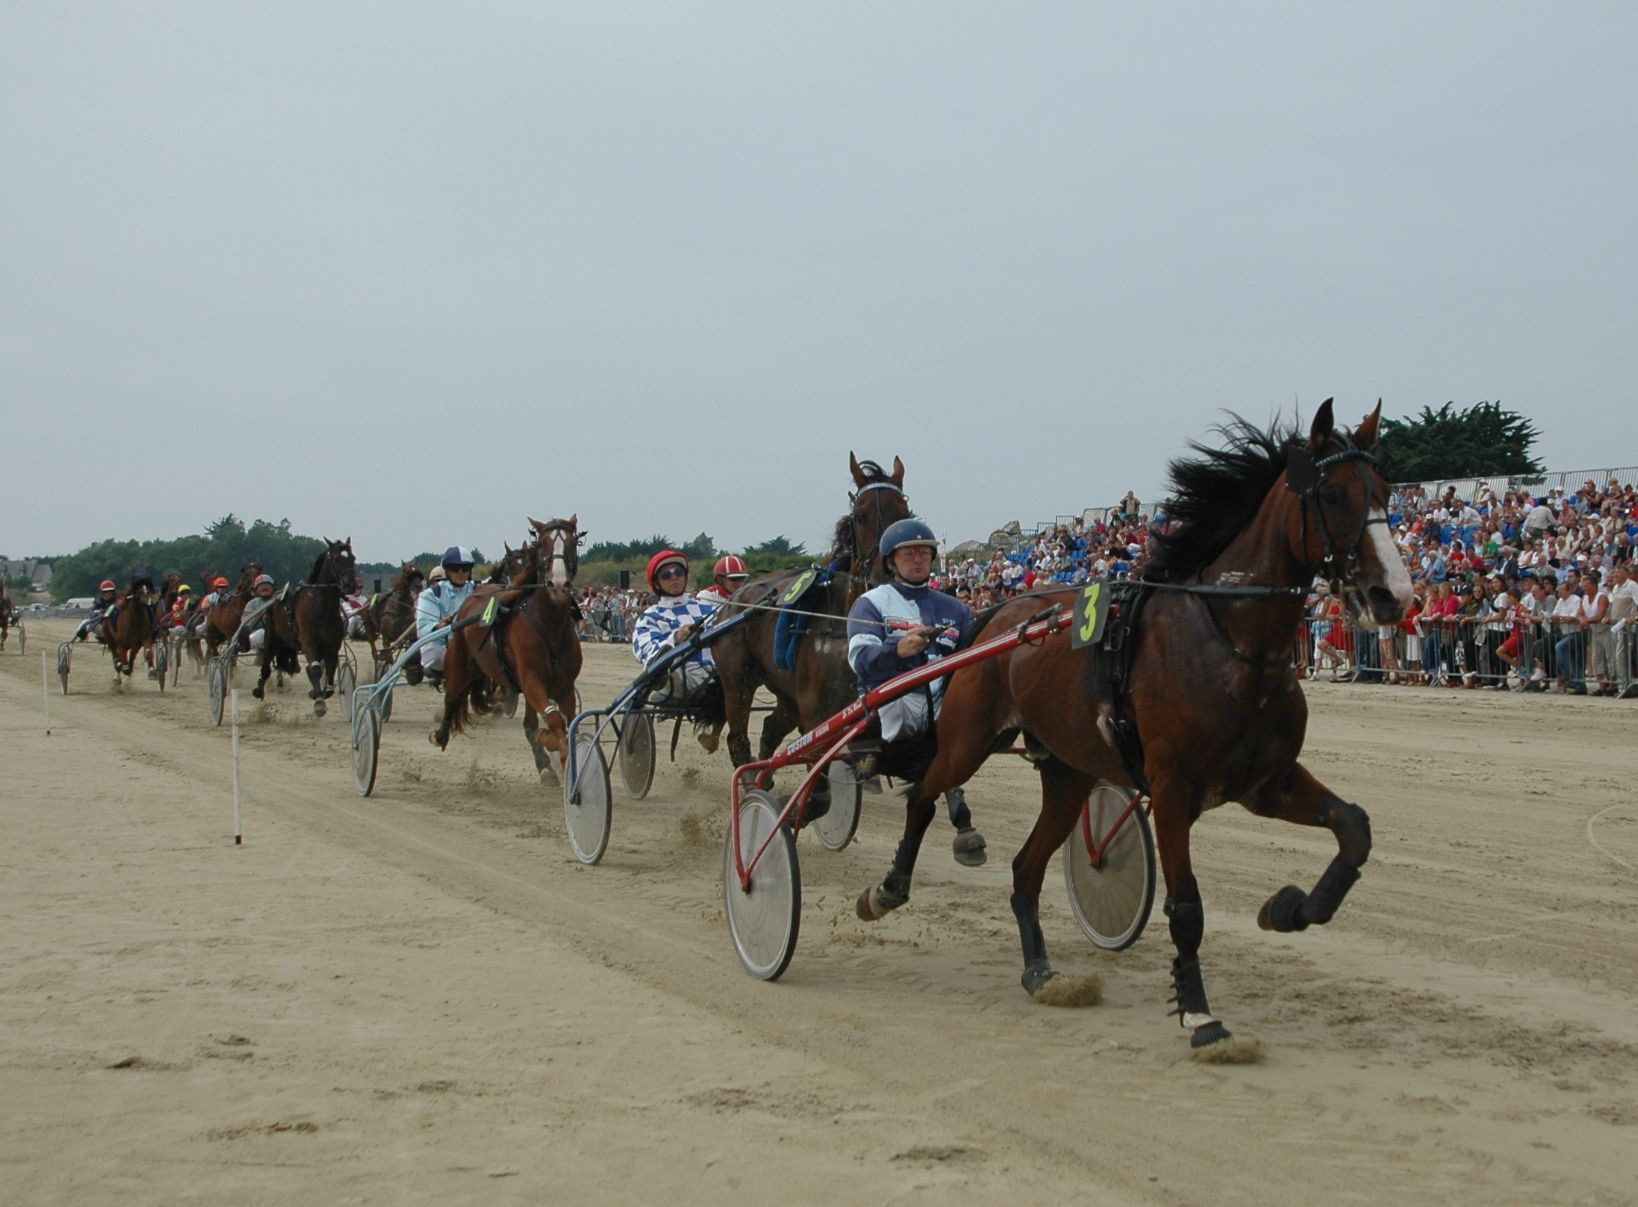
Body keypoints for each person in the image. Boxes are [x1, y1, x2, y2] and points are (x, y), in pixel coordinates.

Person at [846, 519, 985, 866]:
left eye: (925, 552)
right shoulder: (870, 604)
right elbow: (861, 660)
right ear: (891, 561)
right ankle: (952, 792)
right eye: (909, 553)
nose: (919, 559)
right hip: (892, 704)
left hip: (944, 704)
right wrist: (899, 651)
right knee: (915, 701)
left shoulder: (956, 609)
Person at [630, 550, 722, 748]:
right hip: (678, 678)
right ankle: (664, 671)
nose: (674, 578)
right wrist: (676, 639)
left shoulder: (708, 610)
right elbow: (645, 651)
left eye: (678, 572)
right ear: (656, 582)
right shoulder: (649, 617)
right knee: (665, 664)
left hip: (717, 673)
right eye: (666, 575)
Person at [414, 547, 477, 686]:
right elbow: (423, 628)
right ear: (447, 571)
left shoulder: (478, 591)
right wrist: (438, 626)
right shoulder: (431, 594)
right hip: (440, 649)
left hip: (471, 646)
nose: (460, 572)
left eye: (465, 568)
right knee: (437, 654)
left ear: (470, 571)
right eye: (455, 568)